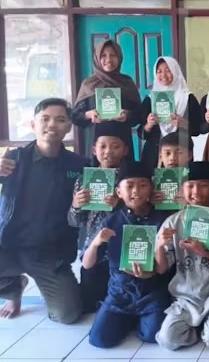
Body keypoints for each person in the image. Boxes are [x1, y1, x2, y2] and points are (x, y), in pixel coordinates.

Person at [0, 98, 85, 323]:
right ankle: (13, 287)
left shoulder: (79, 165)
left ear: (69, 126)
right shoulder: (13, 159)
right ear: (33, 124)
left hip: (49, 254)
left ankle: (33, 281)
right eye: (45, 119)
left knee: (67, 315)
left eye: (60, 120)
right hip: (8, 246)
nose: (52, 125)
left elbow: (83, 215)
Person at [85, 161, 171, 348]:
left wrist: (158, 251)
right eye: (129, 186)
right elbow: (87, 264)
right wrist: (95, 243)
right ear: (118, 192)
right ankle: (122, 316)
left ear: (151, 189)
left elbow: (164, 269)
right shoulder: (111, 221)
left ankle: (136, 318)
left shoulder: (163, 219)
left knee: (151, 336)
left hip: (152, 292)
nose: (136, 191)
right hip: (119, 293)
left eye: (143, 185)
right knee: (99, 340)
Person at [155, 162, 209, 351]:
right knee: (168, 340)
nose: (196, 192)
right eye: (190, 186)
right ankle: (197, 329)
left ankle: (208, 329)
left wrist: (204, 252)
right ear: (182, 188)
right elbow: (161, 268)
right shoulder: (173, 221)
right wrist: (159, 247)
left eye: (203, 185)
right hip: (185, 296)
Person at [67, 121, 127, 313]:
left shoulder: (130, 181)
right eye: (103, 146)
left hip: (122, 251)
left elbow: (142, 215)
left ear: (125, 150)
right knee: (88, 305)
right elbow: (74, 222)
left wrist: (120, 205)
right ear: (94, 150)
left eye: (115, 146)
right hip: (94, 251)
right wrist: (76, 205)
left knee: (120, 300)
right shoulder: (84, 180)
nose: (108, 151)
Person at [71, 40, 143, 158]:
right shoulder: (88, 84)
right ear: (97, 58)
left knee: (124, 170)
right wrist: (88, 115)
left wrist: (127, 115)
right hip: (96, 145)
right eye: (103, 55)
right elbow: (74, 116)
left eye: (113, 55)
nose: (108, 59)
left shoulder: (127, 83)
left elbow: (139, 115)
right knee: (97, 170)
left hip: (122, 143)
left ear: (119, 58)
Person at [140, 57, 202, 172]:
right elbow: (141, 133)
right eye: (159, 71)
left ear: (175, 71)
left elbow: (198, 130)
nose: (163, 75)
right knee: (153, 182)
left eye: (168, 70)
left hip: (181, 153)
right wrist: (149, 125)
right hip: (154, 154)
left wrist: (184, 124)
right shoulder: (150, 100)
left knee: (182, 181)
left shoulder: (188, 98)